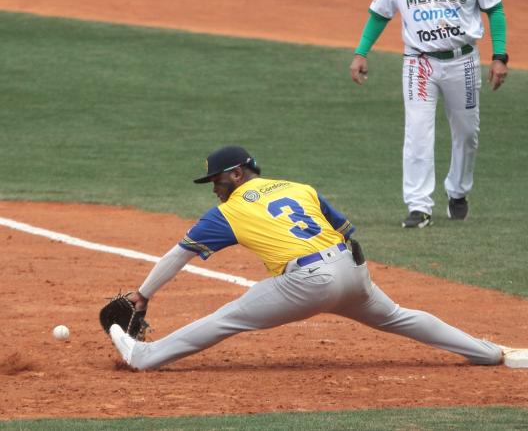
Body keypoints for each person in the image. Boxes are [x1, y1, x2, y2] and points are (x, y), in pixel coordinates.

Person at [105, 145, 503, 370]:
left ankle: (146, 357)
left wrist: (142, 294)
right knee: (400, 316)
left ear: (238, 173)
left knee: (227, 317)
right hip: (352, 272)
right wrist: (357, 277)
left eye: (217, 180)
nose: (214, 189)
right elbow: (348, 233)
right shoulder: (299, 188)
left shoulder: (229, 211)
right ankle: (484, 351)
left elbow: (179, 255)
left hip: (307, 282)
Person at [348, 0, 510, 228]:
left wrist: (500, 56)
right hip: (419, 63)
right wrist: (361, 52)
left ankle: (458, 191)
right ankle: (419, 206)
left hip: (462, 61)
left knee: (467, 133)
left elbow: (495, 10)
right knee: (418, 133)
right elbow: (381, 12)